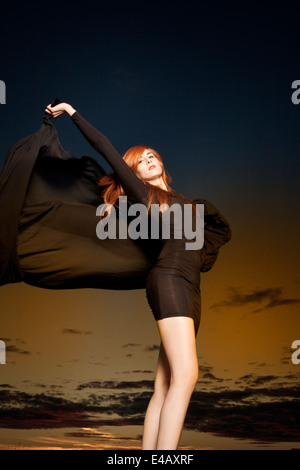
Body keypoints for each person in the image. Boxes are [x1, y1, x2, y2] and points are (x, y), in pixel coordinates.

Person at [43, 102, 231, 450]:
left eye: (151, 155)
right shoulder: (143, 195)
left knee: (164, 385)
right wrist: (72, 112)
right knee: (187, 375)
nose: (148, 161)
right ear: (134, 174)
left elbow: (201, 248)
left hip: (191, 288)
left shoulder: (182, 201)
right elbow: (105, 147)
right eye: (140, 161)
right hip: (170, 280)